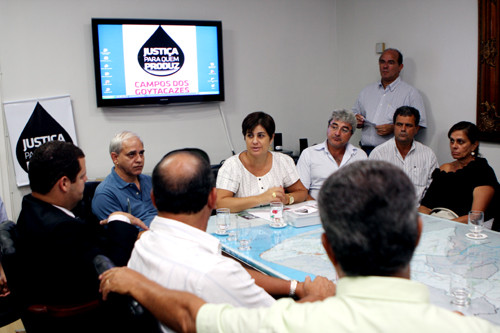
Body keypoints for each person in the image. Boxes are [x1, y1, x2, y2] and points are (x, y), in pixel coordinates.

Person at [100, 160, 500, 332]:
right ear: (417, 232)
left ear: (327, 247)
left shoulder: (288, 323)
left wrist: (133, 279)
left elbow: (190, 316)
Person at [127, 149, 333, 333]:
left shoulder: (143, 244)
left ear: (153, 199)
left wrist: (294, 286)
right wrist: (317, 296)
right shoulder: (214, 273)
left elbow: (233, 271)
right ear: (212, 199)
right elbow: (281, 324)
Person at [15, 141, 145, 332]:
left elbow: (88, 244)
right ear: (64, 183)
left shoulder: (30, 208)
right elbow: (114, 269)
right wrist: (120, 219)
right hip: (89, 318)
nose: (86, 180)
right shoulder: (62, 229)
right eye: (82, 176)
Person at [216, 112, 308, 212]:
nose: (254, 141)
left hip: (276, 221)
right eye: (250, 135)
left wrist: (287, 198)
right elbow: (220, 204)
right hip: (242, 225)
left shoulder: (283, 161)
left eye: (260, 136)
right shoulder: (232, 165)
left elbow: (302, 193)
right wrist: (261, 199)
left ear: (271, 138)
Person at [419, 121, 498, 224]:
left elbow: (475, 216)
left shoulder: (483, 171)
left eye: (460, 142)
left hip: (464, 228)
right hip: (436, 221)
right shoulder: (445, 169)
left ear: (474, 145)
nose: (454, 146)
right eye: (452, 141)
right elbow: (425, 206)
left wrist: (443, 225)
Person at [353, 48, 427, 155]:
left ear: (400, 67)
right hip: (365, 151)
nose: (385, 66)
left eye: (391, 62)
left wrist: (394, 128)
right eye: (382, 62)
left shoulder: (411, 93)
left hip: (393, 153)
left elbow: (419, 124)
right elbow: (353, 116)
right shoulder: (367, 91)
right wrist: (356, 120)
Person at [370, 106, 438, 203]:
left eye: (408, 125)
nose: (403, 129)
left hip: (419, 212)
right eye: (399, 124)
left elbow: (433, 190)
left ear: (416, 129)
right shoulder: (378, 154)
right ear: (394, 126)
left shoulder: (428, 155)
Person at [297, 109, 367, 199]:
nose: (337, 133)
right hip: (316, 209)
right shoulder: (309, 154)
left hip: (351, 209)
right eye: (334, 127)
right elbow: (301, 192)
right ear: (328, 128)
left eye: (344, 130)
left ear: (351, 134)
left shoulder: (360, 156)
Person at [92, 131, 157, 228]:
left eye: (141, 153)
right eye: (131, 154)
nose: (139, 159)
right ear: (115, 158)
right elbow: (123, 237)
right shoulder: (105, 194)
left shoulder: (151, 181)